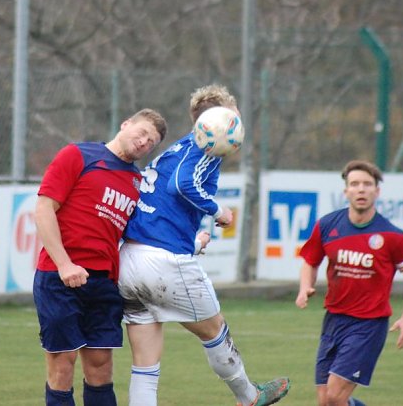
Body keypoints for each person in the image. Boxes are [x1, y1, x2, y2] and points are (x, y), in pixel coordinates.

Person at [119, 84, 290, 406]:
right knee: (215, 331)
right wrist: (218, 210)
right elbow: (182, 184)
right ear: (220, 122)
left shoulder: (177, 149)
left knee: (145, 363)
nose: (238, 128)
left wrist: (191, 240)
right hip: (162, 260)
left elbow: (163, 204)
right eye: (235, 119)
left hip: (130, 259)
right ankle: (249, 396)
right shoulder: (205, 147)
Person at [33, 108, 168, 406]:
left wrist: (193, 241)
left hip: (104, 282)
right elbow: (44, 210)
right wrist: (65, 264)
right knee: (62, 364)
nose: (145, 142)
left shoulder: (138, 183)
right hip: (59, 278)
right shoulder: (79, 156)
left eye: (152, 142)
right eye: (143, 132)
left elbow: (142, 232)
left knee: (100, 367)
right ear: (126, 124)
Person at [295, 160, 403, 406]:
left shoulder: (392, 236)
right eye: (354, 184)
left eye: (367, 184)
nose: (361, 189)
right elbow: (310, 260)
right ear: (346, 192)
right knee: (326, 401)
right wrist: (305, 286)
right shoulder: (328, 225)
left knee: (334, 396)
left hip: (368, 326)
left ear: (377, 191)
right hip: (333, 320)